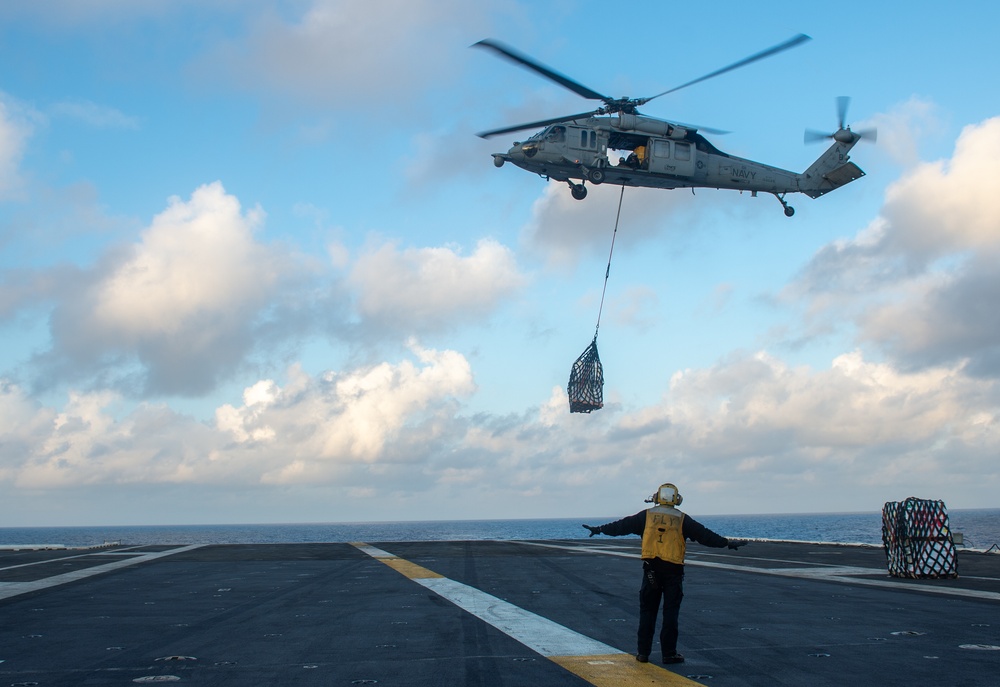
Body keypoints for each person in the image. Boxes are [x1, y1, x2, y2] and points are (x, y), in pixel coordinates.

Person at [583, 483, 747, 665]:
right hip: (673, 573)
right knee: (670, 614)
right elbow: (705, 536)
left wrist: (599, 530)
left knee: (647, 612)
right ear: (676, 499)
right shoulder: (681, 519)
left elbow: (621, 526)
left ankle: (642, 653)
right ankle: (669, 654)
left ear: (656, 497)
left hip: (651, 572)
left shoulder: (647, 516)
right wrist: (727, 543)